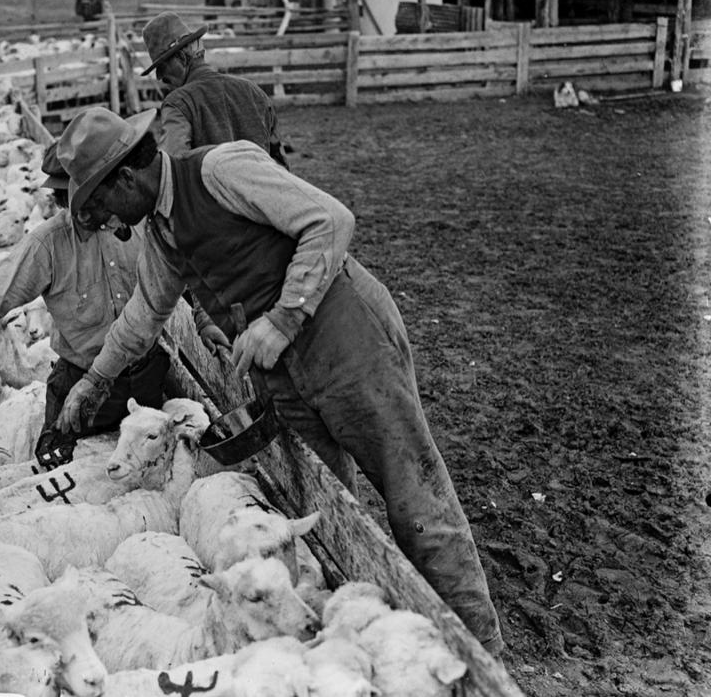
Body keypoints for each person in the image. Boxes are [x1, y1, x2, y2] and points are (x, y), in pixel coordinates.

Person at [53, 107, 505, 656]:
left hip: (343, 337)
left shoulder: (222, 170)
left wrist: (284, 317)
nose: (102, 220)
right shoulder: (162, 230)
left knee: (414, 495)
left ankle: (483, 657)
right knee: (329, 506)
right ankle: (373, 638)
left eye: (99, 205)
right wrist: (95, 382)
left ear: (125, 177)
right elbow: (146, 311)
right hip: (282, 373)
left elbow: (329, 220)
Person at [0, 116, 202, 468]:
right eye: (73, 205)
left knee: (144, 483)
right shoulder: (49, 243)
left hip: (144, 380)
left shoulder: (139, 222)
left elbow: (188, 267)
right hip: (79, 389)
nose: (84, 214)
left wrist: (204, 316)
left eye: (91, 202)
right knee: (61, 480)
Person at [140, 11, 289, 168]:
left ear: (182, 58)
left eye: (162, 67)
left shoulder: (178, 104)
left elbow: (171, 167)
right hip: (260, 191)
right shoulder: (255, 92)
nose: (161, 77)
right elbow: (281, 166)